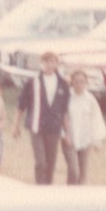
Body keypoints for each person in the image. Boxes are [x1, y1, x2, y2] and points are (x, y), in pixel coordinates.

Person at [12, 51, 70, 184]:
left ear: (57, 63)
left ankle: (47, 190)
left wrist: (67, 132)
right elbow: (21, 105)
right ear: (42, 63)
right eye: (47, 61)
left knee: (51, 163)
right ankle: (39, 189)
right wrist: (16, 125)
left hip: (54, 127)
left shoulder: (63, 84)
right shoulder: (33, 82)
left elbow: (64, 110)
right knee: (41, 162)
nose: (50, 64)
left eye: (53, 61)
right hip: (36, 126)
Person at [61, 68, 106, 184]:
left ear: (86, 83)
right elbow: (61, 117)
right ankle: (69, 197)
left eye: (82, 81)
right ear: (72, 82)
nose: (79, 84)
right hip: (69, 139)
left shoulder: (90, 99)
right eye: (76, 81)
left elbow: (96, 120)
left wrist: (97, 141)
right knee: (74, 171)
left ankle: (80, 199)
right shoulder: (66, 97)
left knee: (83, 174)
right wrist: (64, 135)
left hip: (85, 139)